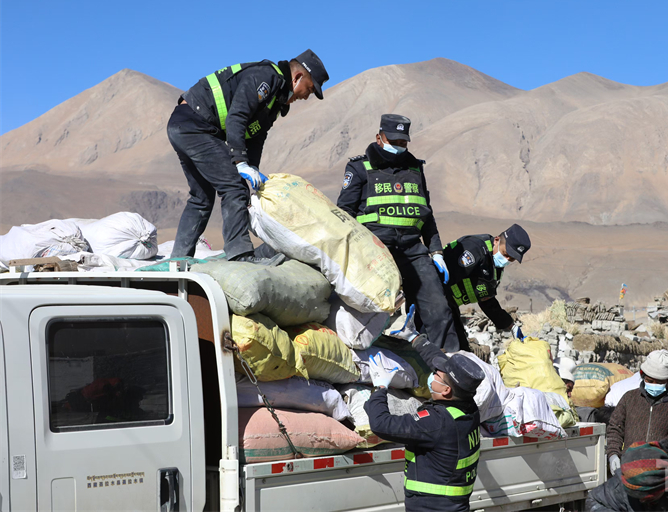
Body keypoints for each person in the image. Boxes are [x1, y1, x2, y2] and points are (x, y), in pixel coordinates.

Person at [168, 50, 329, 263]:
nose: (307, 96)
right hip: (195, 124)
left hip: (185, 125)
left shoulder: (276, 99)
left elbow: (256, 136)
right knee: (234, 188)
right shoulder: (266, 77)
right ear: (297, 77)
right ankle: (240, 256)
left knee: (201, 198)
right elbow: (237, 117)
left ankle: (178, 260)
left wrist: (251, 168)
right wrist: (240, 162)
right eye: (309, 89)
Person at [337, 114, 459, 350]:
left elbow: (426, 213)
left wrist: (436, 251)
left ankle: (446, 362)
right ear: (379, 138)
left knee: (438, 309)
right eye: (393, 141)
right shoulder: (360, 167)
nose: (399, 146)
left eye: (403, 142)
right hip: (374, 248)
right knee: (370, 309)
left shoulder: (415, 168)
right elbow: (344, 212)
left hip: (412, 250)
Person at [365, 311, 485, 512]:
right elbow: (438, 360)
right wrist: (414, 337)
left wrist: (380, 388)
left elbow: (381, 424)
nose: (433, 374)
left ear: (446, 391)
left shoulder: (436, 422)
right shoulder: (467, 405)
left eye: (437, 375)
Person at [606, 350, 668, 475]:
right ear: (642, 376)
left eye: (660, 382)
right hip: (630, 468)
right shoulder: (629, 399)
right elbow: (615, 429)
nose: (654, 385)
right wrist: (613, 454)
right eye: (650, 381)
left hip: (663, 473)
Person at [443, 226, 531, 349]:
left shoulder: (495, 268)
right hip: (435, 300)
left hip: (449, 306)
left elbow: (486, 300)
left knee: (461, 348)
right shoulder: (474, 250)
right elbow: (440, 280)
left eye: (512, 258)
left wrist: (511, 325)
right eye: (506, 254)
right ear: (497, 240)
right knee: (446, 347)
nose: (507, 260)